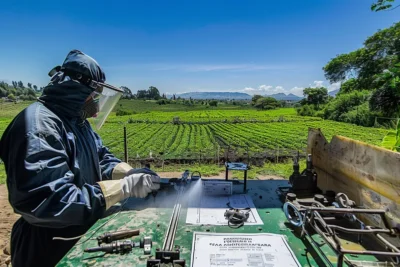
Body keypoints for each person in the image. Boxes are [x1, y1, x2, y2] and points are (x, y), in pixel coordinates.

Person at [0, 50, 160, 267]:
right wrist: (122, 188)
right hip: (48, 246)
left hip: (77, 232)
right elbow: (51, 201)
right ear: (75, 90)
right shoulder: (39, 128)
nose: (96, 108)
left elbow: (101, 157)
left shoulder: (77, 122)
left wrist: (130, 173)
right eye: (94, 97)